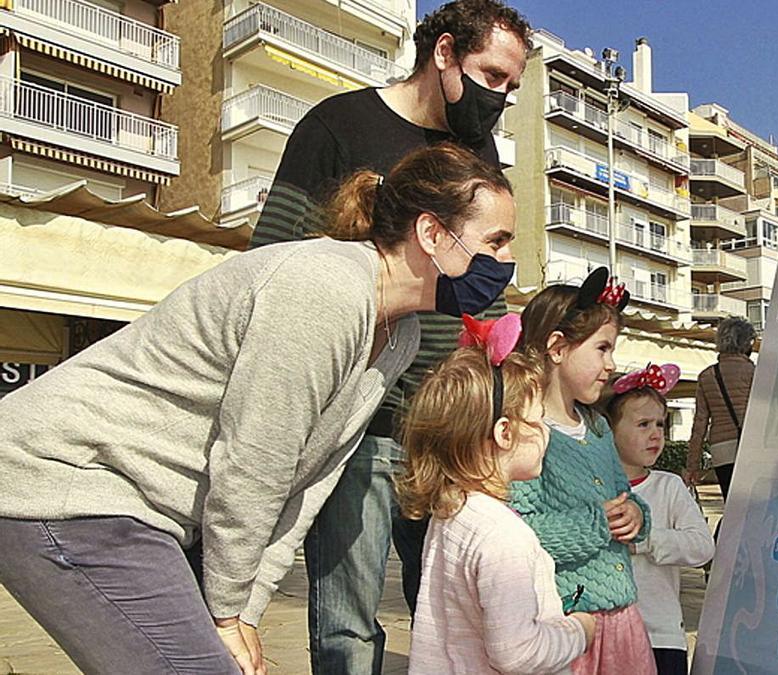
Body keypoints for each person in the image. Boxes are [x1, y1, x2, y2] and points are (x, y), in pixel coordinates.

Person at [0, 143, 517, 675]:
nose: (505, 263)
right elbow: (255, 462)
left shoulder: (399, 334)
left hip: (137, 507)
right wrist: (225, 610)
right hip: (64, 480)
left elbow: (307, 481)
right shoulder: (327, 287)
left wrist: (244, 607)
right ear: (432, 233)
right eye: (495, 242)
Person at [247, 1, 532, 671]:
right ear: (443, 54)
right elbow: (272, 265)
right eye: (493, 76)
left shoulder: (477, 154)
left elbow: (485, 278)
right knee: (348, 621)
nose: (502, 98)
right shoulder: (336, 128)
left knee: (454, 610)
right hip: (361, 415)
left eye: (513, 86)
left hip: (450, 417)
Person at [401, 316, 597, 673]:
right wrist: (578, 631)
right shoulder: (503, 535)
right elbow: (518, 653)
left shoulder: (454, 512)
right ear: (505, 432)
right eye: (538, 420)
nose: (545, 434)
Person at [510, 266, 656, 674]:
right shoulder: (525, 433)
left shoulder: (597, 427)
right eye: (602, 349)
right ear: (557, 348)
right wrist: (599, 523)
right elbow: (519, 533)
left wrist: (636, 514)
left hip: (623, 619)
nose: (612, 363)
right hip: (568, 625)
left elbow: (624, 494)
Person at [604, 363, 715, 675]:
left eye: (660, 425)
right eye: (643, 425)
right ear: (609, 431)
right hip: (603, 635)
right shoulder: (593, 489)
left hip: (661, 635)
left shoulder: (669, 486)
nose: (655, 434)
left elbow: (702, 547)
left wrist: (646, 539)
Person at [685, 317, 757, 502]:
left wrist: (692, 465)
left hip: (721, 448)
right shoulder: (754, 372)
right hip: (751, 443)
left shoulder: (707, 376)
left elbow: (700, 423)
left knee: (731, 503)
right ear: (745, 341)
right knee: (754, 503)